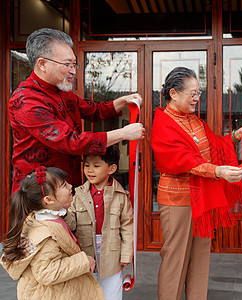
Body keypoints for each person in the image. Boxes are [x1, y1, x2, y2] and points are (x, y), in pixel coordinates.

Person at [151, 67, 242, 300]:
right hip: (177, 200)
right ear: (174, 94)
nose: (197, 98)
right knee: (175, 260)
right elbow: (184, 160)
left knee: (200, 260)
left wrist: (237, 135)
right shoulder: (163, 123)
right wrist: (217, 171)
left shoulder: (195, 120)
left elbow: (215, 145)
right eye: (192, 93)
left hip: (202, 198)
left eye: (199, 93)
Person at [9, 28, 145, 194]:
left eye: (74, 64)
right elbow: (70, 141)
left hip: (67, 188)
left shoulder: (62, 91)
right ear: (42, 64)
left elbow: (93, 110)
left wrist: (122, 102)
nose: (73, 71)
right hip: (39, 194)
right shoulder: (26, 100)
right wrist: (123, 134)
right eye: (67, 64)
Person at [0, 166, 104, 299]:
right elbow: (46, 273)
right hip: (50, 294)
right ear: (49, 200)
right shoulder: (45, 236)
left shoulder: (46, 217)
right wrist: (84, 262)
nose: (70, 186)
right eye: (64, 185)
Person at [64, 144, 133, 300]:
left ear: (112, 169)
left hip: (112, 248)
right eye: (87, 165)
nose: (90, 170)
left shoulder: (121, 196)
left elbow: (127, 227)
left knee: (111, 287)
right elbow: (72, 224)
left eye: (96, 166)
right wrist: (63, 213)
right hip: (85, 247)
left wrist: (126, 253)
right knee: (87, 288)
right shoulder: (78, 194)